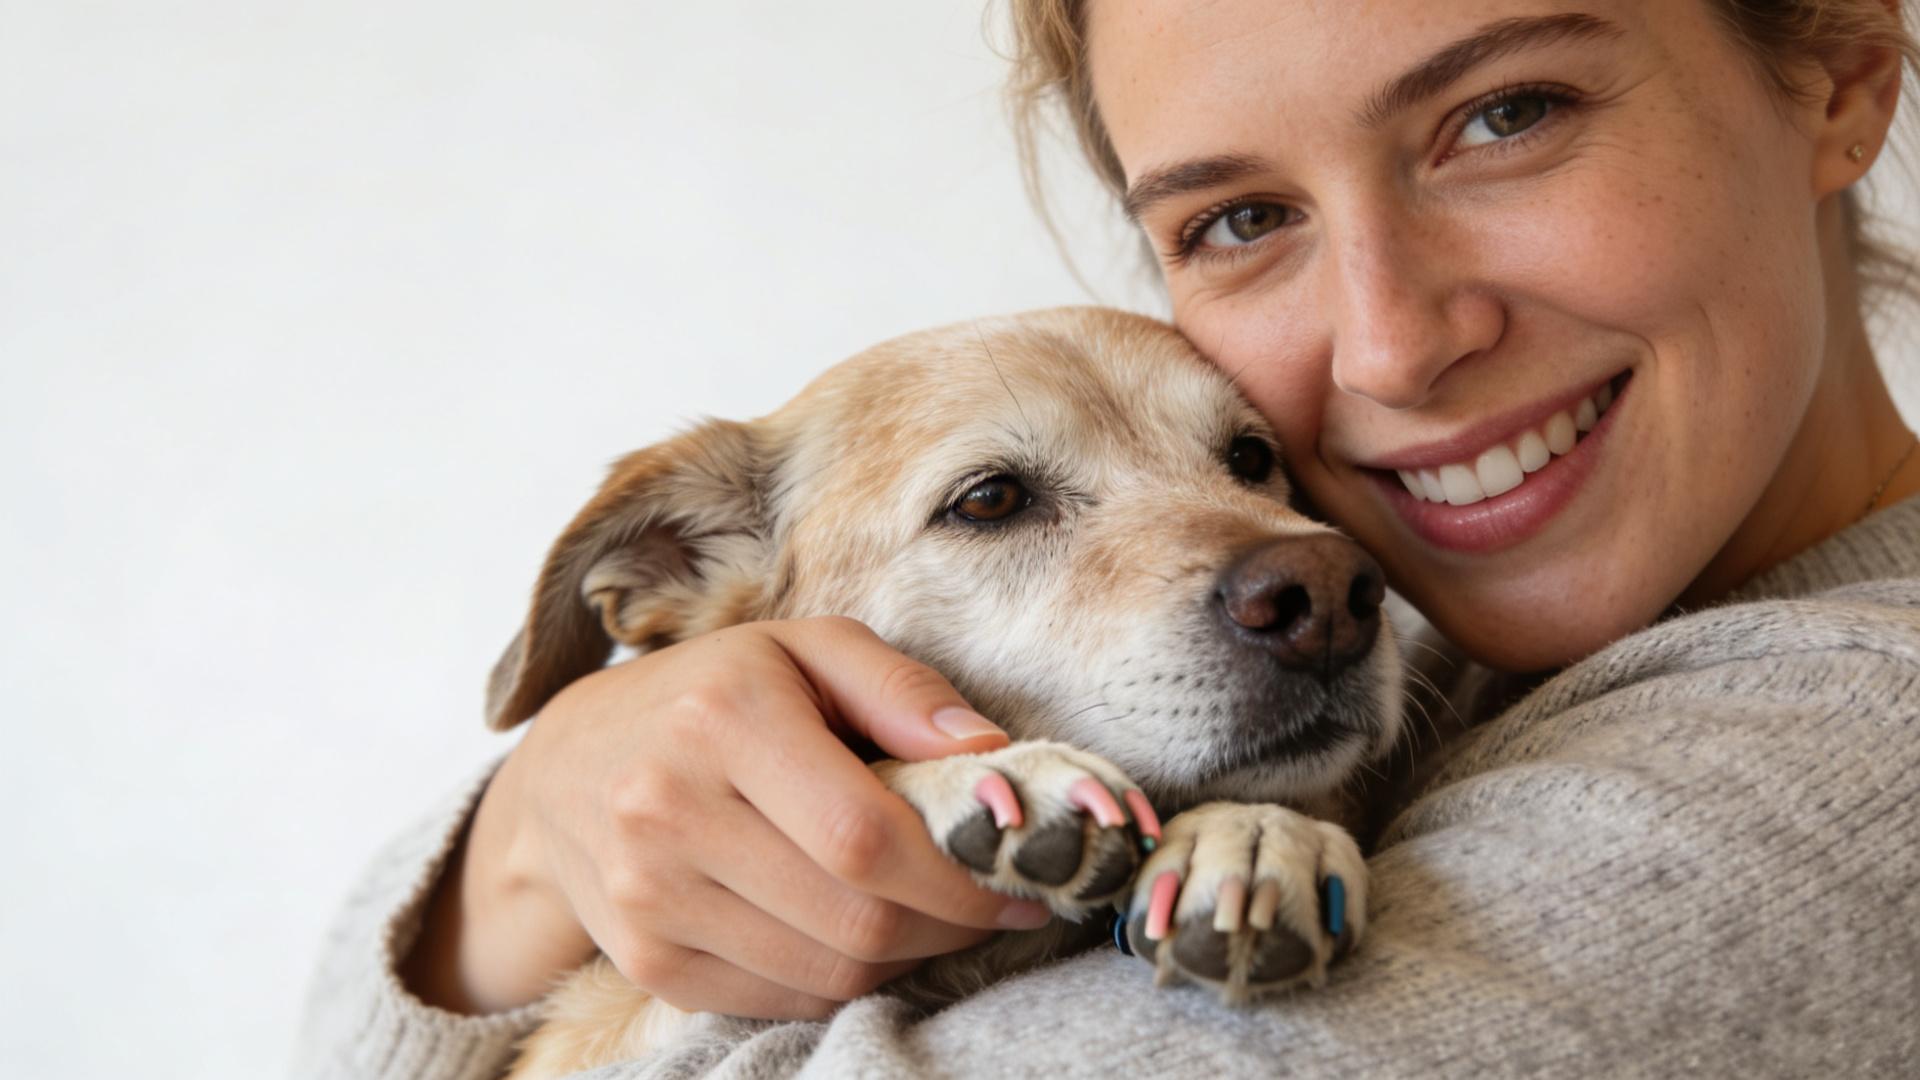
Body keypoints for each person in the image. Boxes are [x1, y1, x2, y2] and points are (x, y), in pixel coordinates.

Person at [296, 1, 1920, 1076]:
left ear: (1841, 70)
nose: (1388, 347)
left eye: (1506, 115)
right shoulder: (1469, 671)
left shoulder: (1847, 755)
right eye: (1239, 219)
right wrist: (536, 825)